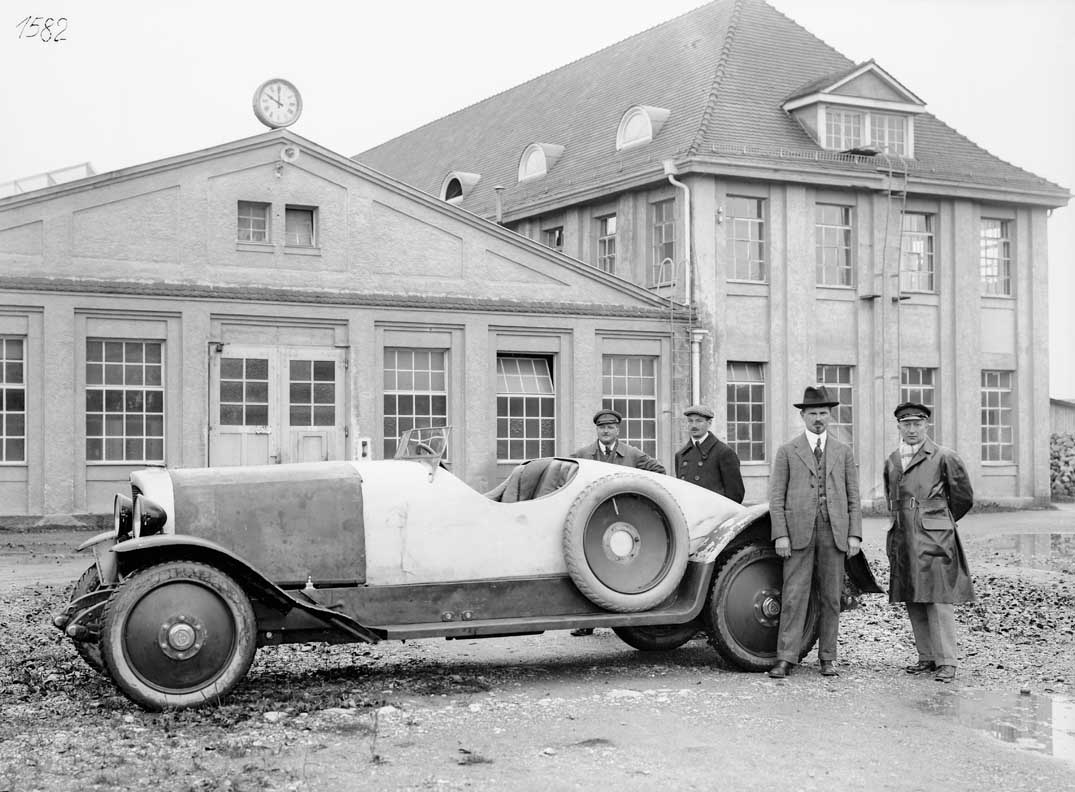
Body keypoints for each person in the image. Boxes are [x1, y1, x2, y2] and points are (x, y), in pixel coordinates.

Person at [768, 386, 861, 678]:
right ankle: (786, 658)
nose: (818, 418)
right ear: (803, 416)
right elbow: (776, 497)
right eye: (812, 413)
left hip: (834, 532)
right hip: (797, 533)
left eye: (823, 413)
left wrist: (854, 534)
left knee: (831, 597)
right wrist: (781, 534)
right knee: (794, 595)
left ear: (830, 416)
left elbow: (854, 497)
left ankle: (828, 658)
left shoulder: (843, 452)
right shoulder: (787, 451)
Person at [883, 401, 974, 684]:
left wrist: (937, 519)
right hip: (904, 536)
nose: (912, 430)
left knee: (938, 598)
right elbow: (891, 498)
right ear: (898, 427)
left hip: (935, 538)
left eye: (917, 424)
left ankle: (947, 661)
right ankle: (927, 657)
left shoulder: (945, 456)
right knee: (913, 596)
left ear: (926, 425)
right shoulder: (892, 460)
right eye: (906, 425)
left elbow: (963, 498)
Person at [569, 408, 664, 636]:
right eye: (602, 427)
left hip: (625, 521)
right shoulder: (583, 455)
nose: (606, 431)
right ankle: (587, 622)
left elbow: (659, 471)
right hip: (593, 521)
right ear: (597, 430)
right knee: (591, 568)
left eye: (610, 427)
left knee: (623, 567)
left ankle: (629, 619)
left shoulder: (632, 454)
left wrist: (637, 495)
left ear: (617, 430)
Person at [674, 405, 745, 503]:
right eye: (690, 421)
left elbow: (736, 494)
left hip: (714, 511)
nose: (694, 425)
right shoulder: (680, 455)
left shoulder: (724, 452)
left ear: (709, 423)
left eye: (699, 421)